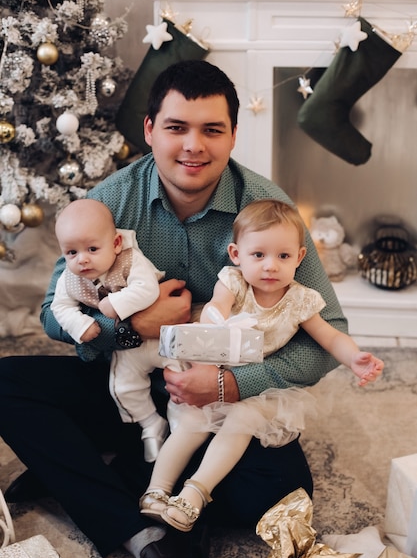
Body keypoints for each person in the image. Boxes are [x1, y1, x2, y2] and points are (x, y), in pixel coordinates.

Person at [0, 60, 349, 558]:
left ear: (233, 133)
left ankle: (94, 473)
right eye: (176, 127)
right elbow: (51, 315)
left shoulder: (267, 212)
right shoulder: (110, 201)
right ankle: (144, 535)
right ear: (148, 130)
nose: (193, 146)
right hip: (129, 374)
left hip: (221, 394)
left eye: (212, 130)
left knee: (282, 495)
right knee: (6, 384)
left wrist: (235, 385)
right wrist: (131, 326)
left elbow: (330, 332)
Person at [140, 199, 384, 532]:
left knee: (242, 422)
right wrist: (218, 323)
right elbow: (215, 307)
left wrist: (354, 357)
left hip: (255, 386)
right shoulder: (234, 282)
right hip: (211, 365)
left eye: (283, 256)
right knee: (192, 424)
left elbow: (329, 336)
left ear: (299, 257)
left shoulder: (300, 300)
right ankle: (156, 491)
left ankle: (194, 494)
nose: (270, 266)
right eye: (258, 255)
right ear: (236, 254)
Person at [51, 198, 182, 463]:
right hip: (128, 347)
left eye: (92, 248)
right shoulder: (70, 278)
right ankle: (150, 424)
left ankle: (181, 431)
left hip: (164, 338)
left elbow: (147, 289)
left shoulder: (131, 260)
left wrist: (115, 304)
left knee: (181, 378)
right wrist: (81, 324)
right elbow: (58, 307)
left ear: (116, 243)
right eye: (71, 252)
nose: (82, 259)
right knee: (122, 387)